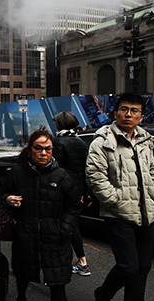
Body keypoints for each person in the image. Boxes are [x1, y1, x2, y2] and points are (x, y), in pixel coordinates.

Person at [86, 93, 154, 301]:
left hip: (148, 213)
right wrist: (115, 201)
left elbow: (152, 171)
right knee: (128, 267)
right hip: (119, 215)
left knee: (142, 270)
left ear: (141, 115)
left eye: (134, 111)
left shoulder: (146, 139)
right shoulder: (102, 141)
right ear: (115, 112)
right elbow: (95, 176)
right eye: (124, 109)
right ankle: (103, 295)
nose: (129, 114)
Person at [1, 128, 81, 301]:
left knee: (57, 285)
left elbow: (75, 206)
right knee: (23, 275)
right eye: (38, 148)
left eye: (48, 149)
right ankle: (21, 300)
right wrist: (7, 199)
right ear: (30, 149)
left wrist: (64, 228)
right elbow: (3, 193)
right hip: (25, 236)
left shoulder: (61, 175)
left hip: (55, 239)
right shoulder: (17, 172)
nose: (44, 153)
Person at [52, 111, 91, 276]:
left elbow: (56, 170)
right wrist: (86, 193)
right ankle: (80, 262)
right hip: (78, 192)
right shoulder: (81, 142)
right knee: (72, 225)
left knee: (67, 226)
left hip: (63, 192)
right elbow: (87, 171)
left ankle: (80, 262)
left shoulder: (58, 142)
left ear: (59, 125)